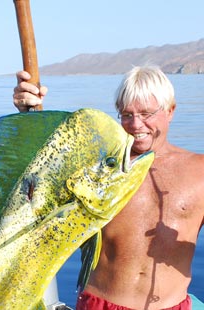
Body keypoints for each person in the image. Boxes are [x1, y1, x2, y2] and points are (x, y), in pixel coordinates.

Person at [13, 66, 204, 310]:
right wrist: (28, 116)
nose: (136, 125)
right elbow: (36, 182)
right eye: (126, 114)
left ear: (170, 111)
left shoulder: (200, 170)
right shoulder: (96, 169)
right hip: (100, 303)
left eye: (146, 113)